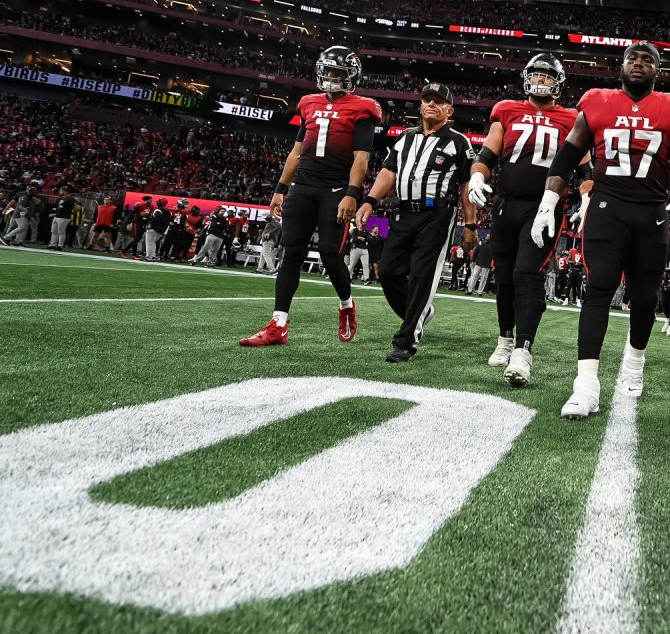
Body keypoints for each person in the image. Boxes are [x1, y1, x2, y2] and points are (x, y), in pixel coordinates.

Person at [539, 41, 670, 419]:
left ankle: (634, 361)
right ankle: (585, 385)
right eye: (633, 58)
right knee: (598, 289)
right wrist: (549, 200)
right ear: (622, 64)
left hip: (651, 212)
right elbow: (566, 156)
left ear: (657, 71)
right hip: (607, 207)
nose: (639, 64)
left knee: (646, 298)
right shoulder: (597, 100)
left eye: (648, 60)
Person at [240, 46, 382, 347]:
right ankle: (278, 324)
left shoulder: (363, 107)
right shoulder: (308, 102)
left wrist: (351, 194)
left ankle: (346, 304)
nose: (330, 77)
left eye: (337, 72)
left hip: (334, 188)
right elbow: (296, 151)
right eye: (327, 71)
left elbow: (361, 159)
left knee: (331, 254)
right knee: (291, 252)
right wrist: (281, 188)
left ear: (351, 75)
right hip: (303, 186)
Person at [466, 54, 591, 384]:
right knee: (505, 276)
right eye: (536, 74)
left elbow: (585, 169)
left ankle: (524, 349)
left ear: (558, 83)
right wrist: (478, 177)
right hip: (506, 204)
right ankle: (505, 338)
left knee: (528, 273)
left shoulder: (571, 117)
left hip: (546, 206)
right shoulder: (507, 109)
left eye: (548, 76)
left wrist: (588, 196)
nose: (541, 81)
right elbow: (487, 154)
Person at [355, 81, 477, 363]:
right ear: (420, 105)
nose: (431, 104)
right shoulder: (405, 137)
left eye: (438, 101)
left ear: (450, 110)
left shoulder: (459, 142)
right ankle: (421, 312)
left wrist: (470, 225)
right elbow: (389, 172)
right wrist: (369, 201)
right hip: (403, 212)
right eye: (427, 99)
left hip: (437, 215)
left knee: (423, 276)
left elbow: (466, 185)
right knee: (388, 272)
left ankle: (405, 341)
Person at [257, 210, 282, 274]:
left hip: (269, 240)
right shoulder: (270, 222)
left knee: (266, 254)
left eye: (266, 217)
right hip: (267, 240)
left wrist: (270, 233)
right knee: (263, 255)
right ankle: (260, 268)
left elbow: (279, 226)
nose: (265, 219)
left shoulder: (273, 221)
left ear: (269, 215)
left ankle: (272, 269)